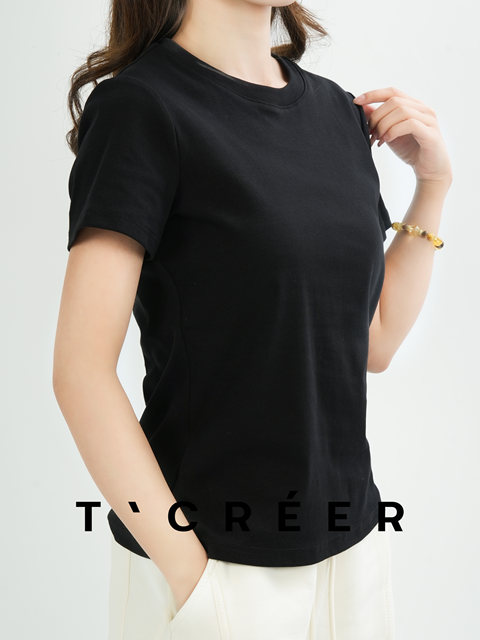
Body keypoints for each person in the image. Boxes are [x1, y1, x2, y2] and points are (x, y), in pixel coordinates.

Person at [52, 1, 452, 638]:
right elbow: (81, 372)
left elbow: (371, 342)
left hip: (352, 556)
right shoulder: (141, 108)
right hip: (217, 568)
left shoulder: (335, 112)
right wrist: (193, 577)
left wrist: (432, 186)